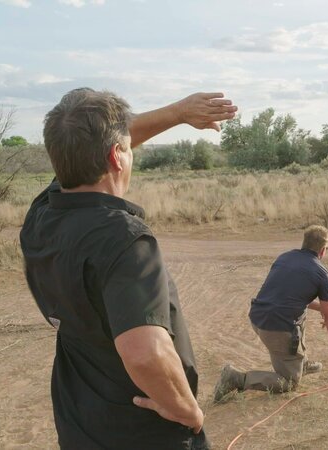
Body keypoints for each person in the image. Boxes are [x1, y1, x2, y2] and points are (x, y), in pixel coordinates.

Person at [20, 88, 236, 449]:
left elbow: (84, 146)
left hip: (81, 426)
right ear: (116, 156)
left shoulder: (41, 216)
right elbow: (144, 353)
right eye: (126, 147)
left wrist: (178, 113)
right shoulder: (123, 238)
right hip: (143, 434)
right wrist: (187, 410)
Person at [213, 225, 328, 400]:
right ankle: (236, 378)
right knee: (289, 382)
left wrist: (323, 309)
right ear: (323, 250)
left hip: (257, 316)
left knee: (300, 312)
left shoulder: (284, 257)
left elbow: (288, 296)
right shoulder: (322, 274)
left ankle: (301, 363)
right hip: (276, 329)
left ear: (304, 243)